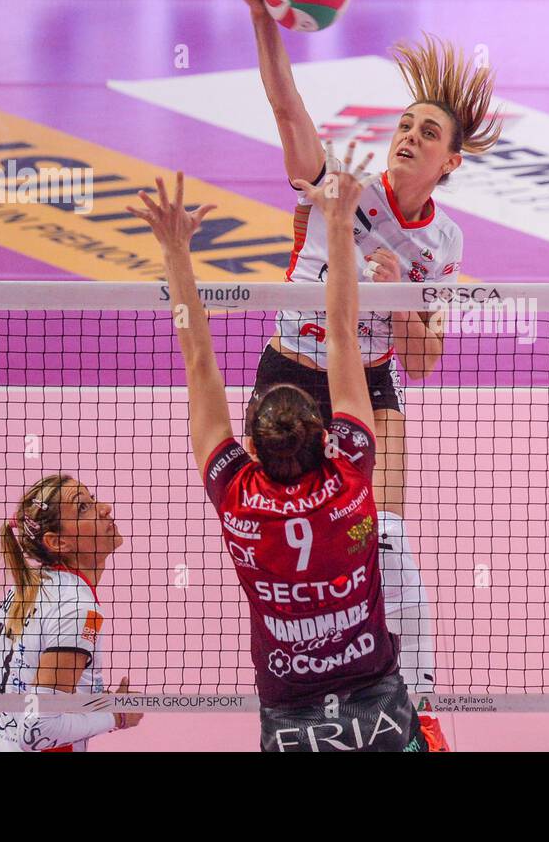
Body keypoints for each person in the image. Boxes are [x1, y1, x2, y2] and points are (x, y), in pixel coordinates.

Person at [236, 0, 502, 712]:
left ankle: (416, 706)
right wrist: (261, 13)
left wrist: (402, 296)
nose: (410, 136)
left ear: (449, 162)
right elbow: (286, 107)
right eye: (407, 124)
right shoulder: (339, 187)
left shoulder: (443, 244)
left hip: (371, 385)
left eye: (428, 133)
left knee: (387, 543)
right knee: (294, 552)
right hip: (289, 377)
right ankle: (298, 701)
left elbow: (425, 359)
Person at [129, 160, 428, 751]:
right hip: (379, 705)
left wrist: (175, 252)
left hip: (290, 717)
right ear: (326, 435)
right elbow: (343, 331)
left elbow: (199, 365)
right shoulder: (350, 476)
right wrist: (340, 221)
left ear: (250, 449)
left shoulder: (237, 495)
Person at [0, 475, 142, 751]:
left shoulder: (25, 589)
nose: (105, 508)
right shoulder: (77, 608)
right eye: (82, 507)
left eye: (92, 499)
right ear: (58, 542)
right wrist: (116, 716)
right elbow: (38, 729)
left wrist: (83, 700)